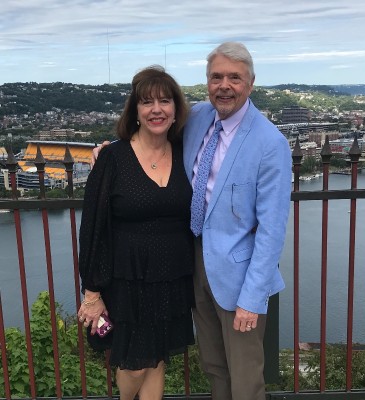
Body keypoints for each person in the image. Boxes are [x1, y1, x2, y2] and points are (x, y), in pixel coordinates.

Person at [92, 42, 292, 400]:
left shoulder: (269, 143)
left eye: (235, 78)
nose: (224, 85)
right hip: (192, 264)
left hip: (238, 276)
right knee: (214, 365)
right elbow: (150, 139)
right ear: (207, 81)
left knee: (245, 376)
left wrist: (252, 297)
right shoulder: (198, 117)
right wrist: (108, 150)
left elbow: (272, 229)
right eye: (216, 77)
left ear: (251, 83)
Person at [78, 65, 195, 400]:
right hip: (127, 280)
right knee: (134, 365)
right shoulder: (113, 157)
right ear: (136, 111)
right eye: (147, 102)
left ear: (176, 110)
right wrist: (92, 292)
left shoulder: (186, 152)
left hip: (172, 275)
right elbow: (93, 227)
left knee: (157, 360)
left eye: (164, 101)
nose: (156, 109)